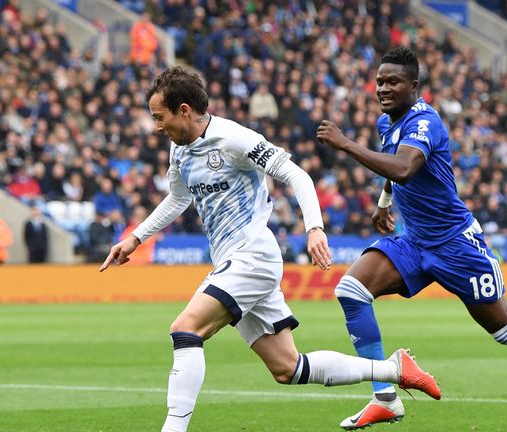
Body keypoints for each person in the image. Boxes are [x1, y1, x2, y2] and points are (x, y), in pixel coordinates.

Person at [100, 66, 441, 432]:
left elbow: (297, 175)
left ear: (184, 110)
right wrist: (136, 238)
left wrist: (314, 228)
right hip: (231, 260)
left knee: (186, 330)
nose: (156, 126)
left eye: (159, 117)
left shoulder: (233, 138)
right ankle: (395, 369)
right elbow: (177, 199)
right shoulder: (180, 151)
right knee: (288, 368)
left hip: (252, 256)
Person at [316, 46, 507, 431]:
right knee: (351, 290)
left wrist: (346, 145)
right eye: (379, 81)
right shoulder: (386, 124)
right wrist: (384, 201)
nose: (383, 89)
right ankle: (385, 397)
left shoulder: (426, 122)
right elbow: (394, 172)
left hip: (457, 246)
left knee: (506, 329)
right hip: (416, 241)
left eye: (393, 82)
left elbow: (406, 167)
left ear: (414, 86)